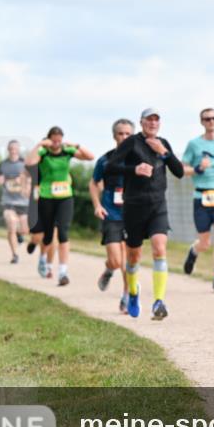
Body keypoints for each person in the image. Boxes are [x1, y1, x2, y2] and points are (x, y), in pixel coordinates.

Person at [106, 108, 184, 320]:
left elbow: (179, 172)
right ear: (141, 122)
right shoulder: (131, 142)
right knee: (134, 256)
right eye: (149, 120)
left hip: (158, 206)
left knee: (159, 248)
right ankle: (132, 293)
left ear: (159, 124)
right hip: (133, 207)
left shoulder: (163, 144)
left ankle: (159, 301)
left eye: (156, 120)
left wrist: (164, 153)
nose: (153, 123)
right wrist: (134, 169)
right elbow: (110, 167)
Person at [25, 127, 95, 285]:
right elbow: (29, 163)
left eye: (59, 139)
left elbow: (90, 157)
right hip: (46, 196)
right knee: (48, 235)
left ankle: (63, 272)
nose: (56, 143)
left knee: (63, 232)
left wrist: (76, 145)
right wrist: (39, 145)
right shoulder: (43, 153)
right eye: (53, 139)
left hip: (65, 197)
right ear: (49, 139)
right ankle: (43, 259)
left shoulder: (67, 151)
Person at [181, 107, 214, 293]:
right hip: (201, 196)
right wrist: (198, 169)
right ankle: (194, 251)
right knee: (204, 242)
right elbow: (182, 169)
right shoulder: (194, 144)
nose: (211, 121)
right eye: (207, 119)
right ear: (202, 121)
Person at [91, 119, 134, 313]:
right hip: (111, 213)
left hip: (132, 214)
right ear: (114, 136)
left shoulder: (139, 159)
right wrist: (97, 205)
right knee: (116, 261)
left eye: (128, 134)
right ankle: (109, 269)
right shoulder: (105, 160)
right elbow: (93, 183)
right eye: (120, 134)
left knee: (128, 259)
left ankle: (126, 296)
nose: (124, 137)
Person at [0, 141, 31, 264]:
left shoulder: (24, 163)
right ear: (8, 149)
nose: (13, 150)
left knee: (24, 229)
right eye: (10, 148)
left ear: (18, 150)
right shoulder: (2, 165)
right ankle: (15, 255)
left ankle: (20, 235)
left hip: (23, 201)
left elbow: (31, 179)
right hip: (8, 200)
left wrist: (26, 186)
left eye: (15, 148)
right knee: (11, 224)